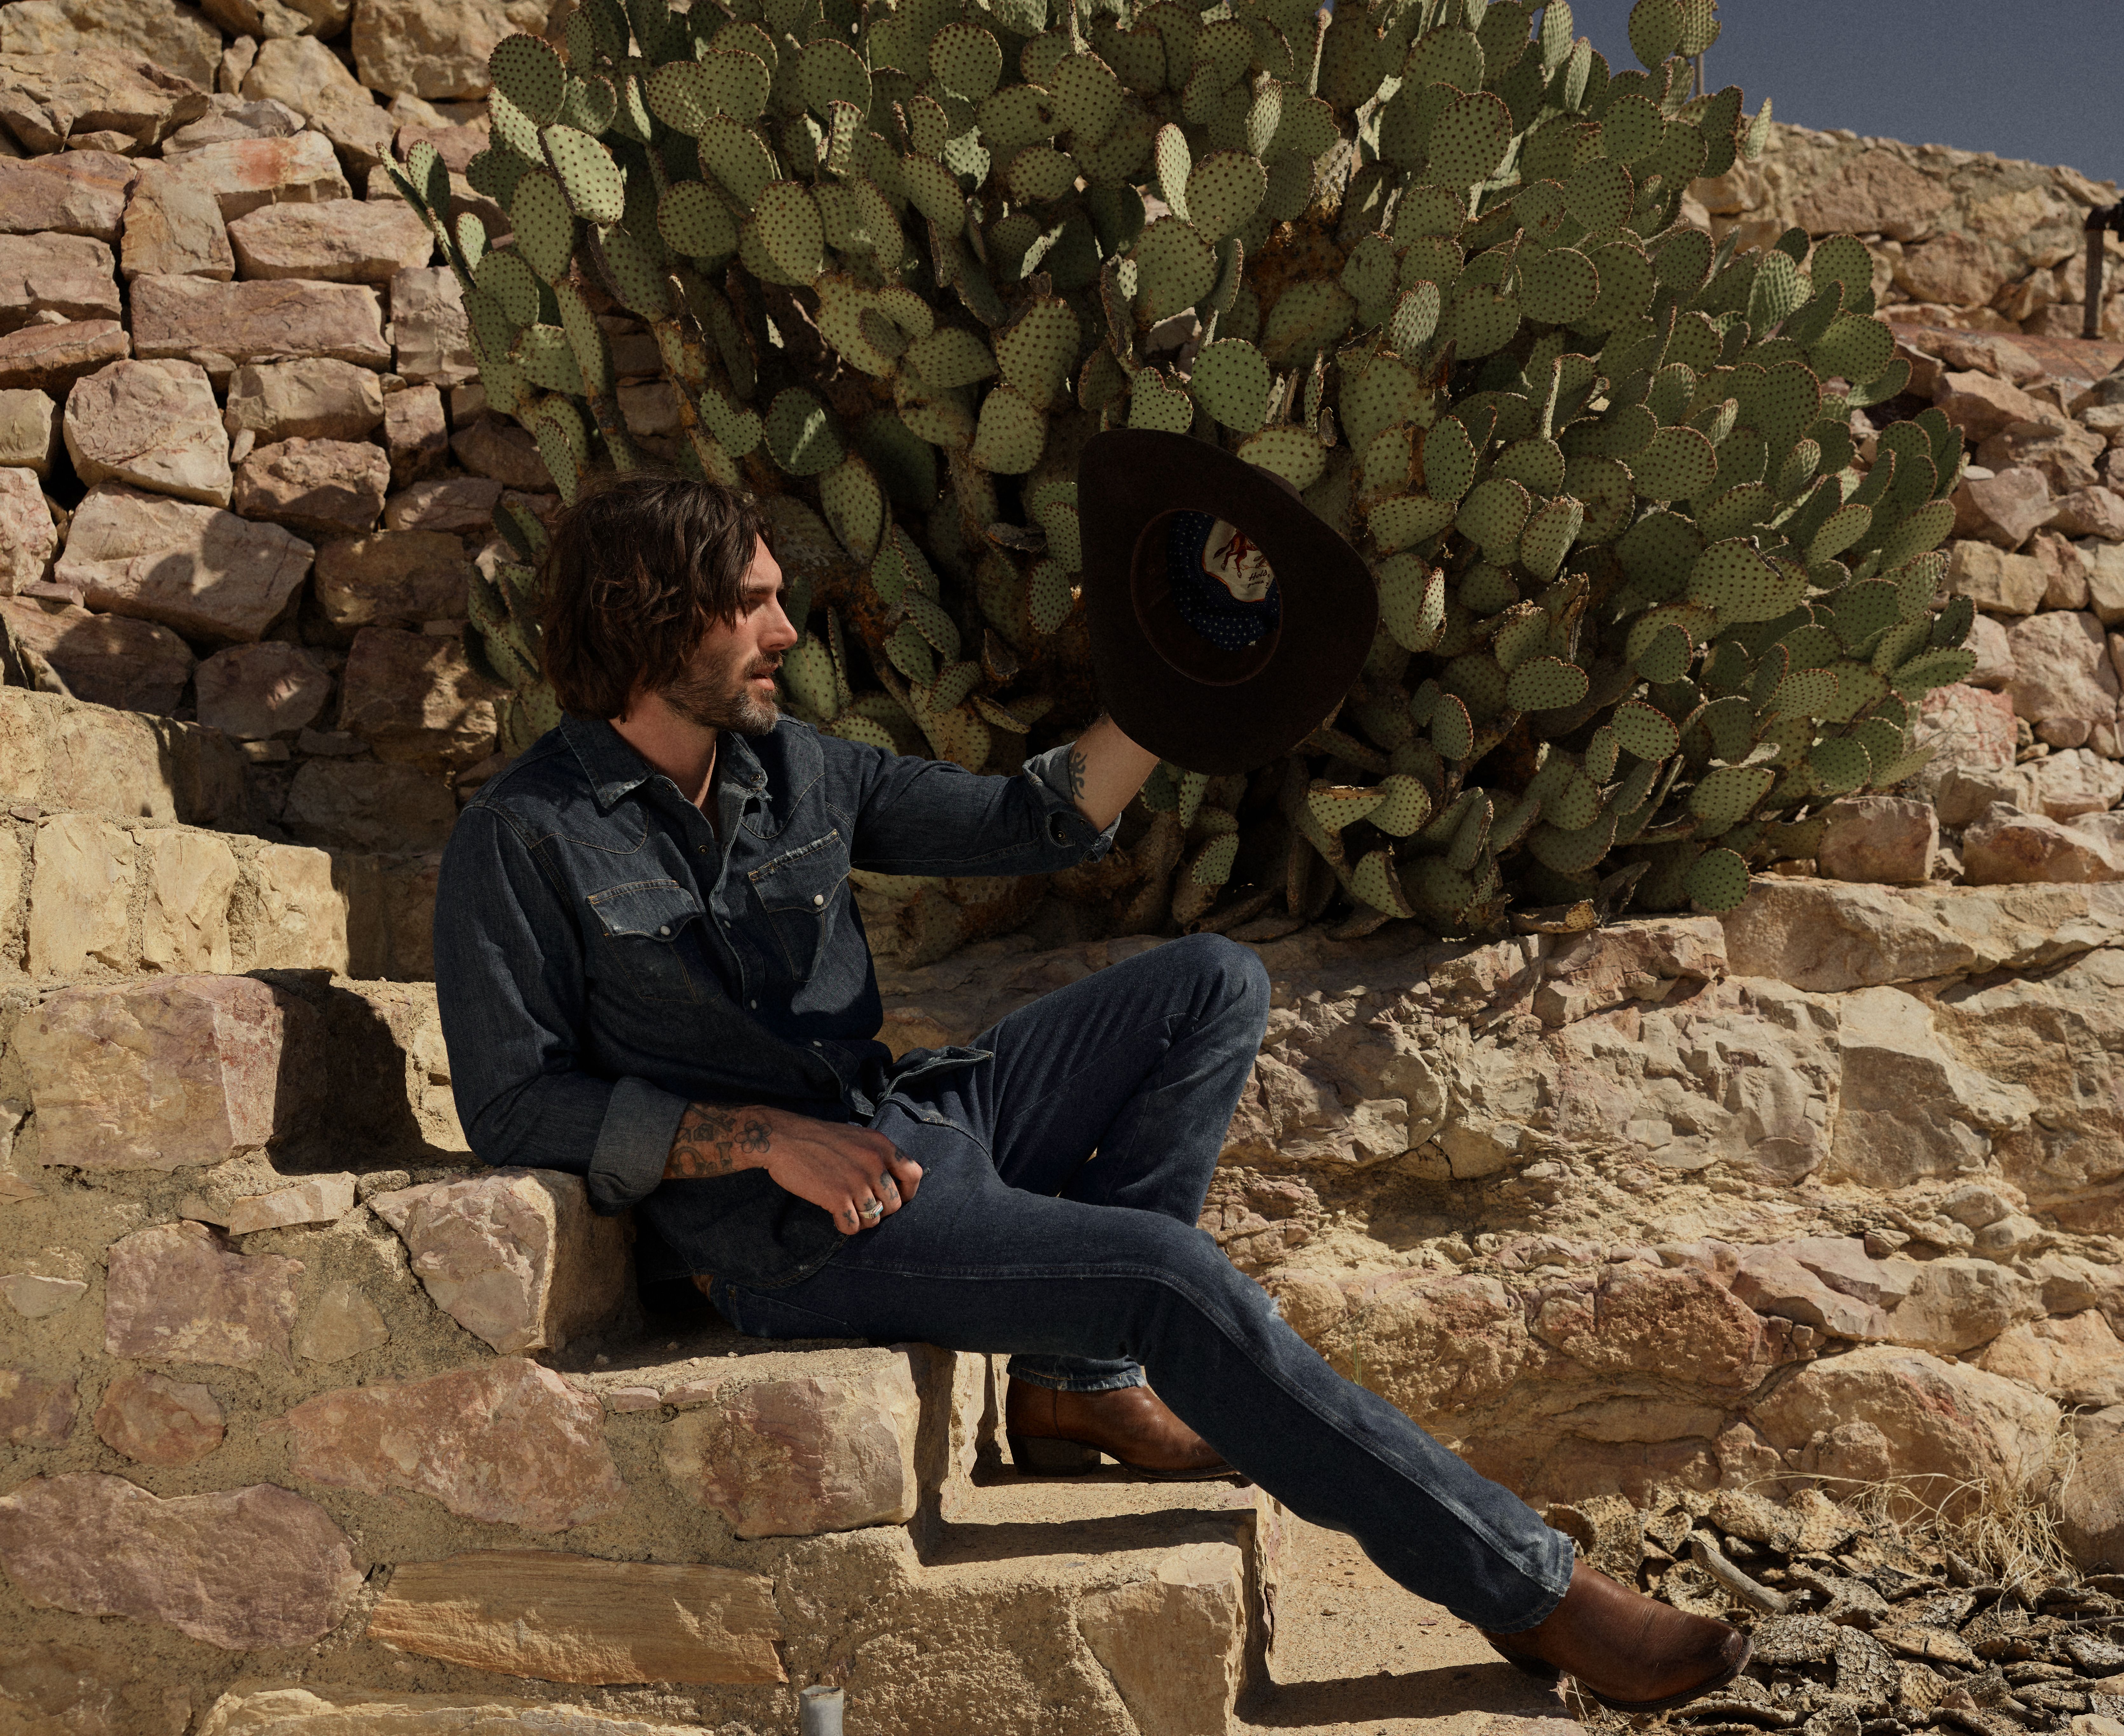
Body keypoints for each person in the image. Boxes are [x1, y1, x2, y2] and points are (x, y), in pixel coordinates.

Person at [431, 470, 1752, 1715]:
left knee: (1210, 981)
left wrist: (1183, 677)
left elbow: (1036, 817)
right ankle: (1531, 1590)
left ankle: (1071, 1382)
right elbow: (514, 1102)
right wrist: (762, 1141)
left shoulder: (801, 771)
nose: (787, 627)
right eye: (754, 605)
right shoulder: (525, 834)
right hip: (786, 1235)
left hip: (922, 1121)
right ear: (657, 621)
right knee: (1166, 1272)